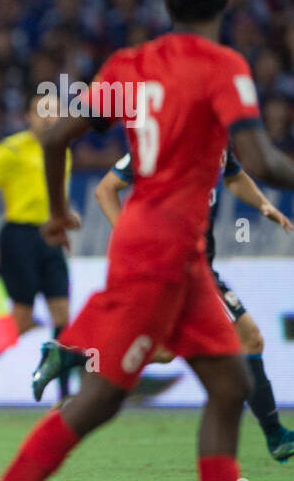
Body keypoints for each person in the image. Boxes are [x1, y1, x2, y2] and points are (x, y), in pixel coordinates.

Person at [0, 0, 294, 481]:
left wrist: (55, 214)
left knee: (229, 384)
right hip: (160, 258)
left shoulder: (131, 64)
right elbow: (261, 158)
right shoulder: (224, 66)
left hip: (173, 252)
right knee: (100, 400)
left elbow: (53, 138)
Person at [35, 148, 293, 460]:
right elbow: (105, 189)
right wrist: (133, 239)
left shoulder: (217, 139)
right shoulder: (163, 140)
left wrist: (265, 206)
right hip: (182, 267)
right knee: (249, 337)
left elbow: (234, 177)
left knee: (164, 351)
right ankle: (274, 434)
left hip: (197, 265)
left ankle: (72, 357)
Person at [0, 93, 73, 410]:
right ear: (28, 116)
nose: (49, 118)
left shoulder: (62, 151)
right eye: (42, 112)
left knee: (63, 317)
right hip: (19, 237)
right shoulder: (12, 149)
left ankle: (63, 394)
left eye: (54, 112)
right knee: (22, 319)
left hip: (51, 237)